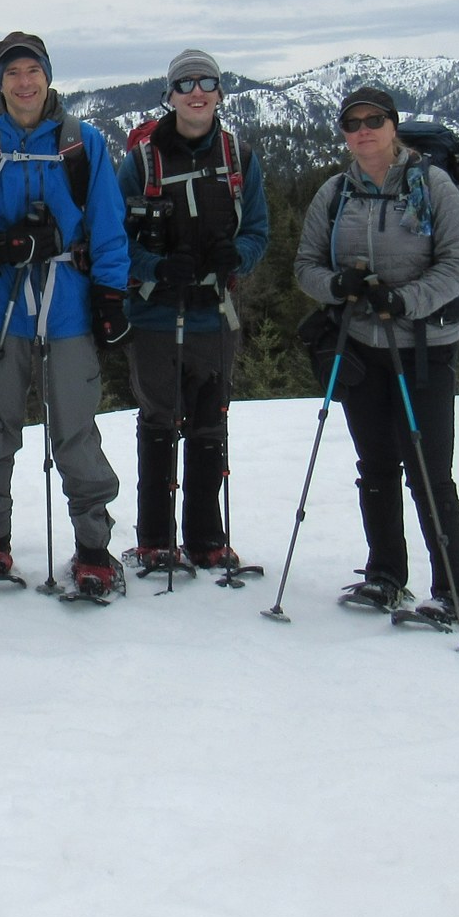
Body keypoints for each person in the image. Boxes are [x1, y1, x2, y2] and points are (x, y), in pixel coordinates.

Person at [0, 33, 133, 598]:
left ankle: (94, 550)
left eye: (33, 71)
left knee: (74, 429)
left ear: (48, 76)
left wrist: (111, 295)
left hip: (68, 304)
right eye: (12, 73)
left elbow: (107, 222)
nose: (24, 82)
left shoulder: (83, 143)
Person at [293, 85, 459, 624]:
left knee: (428, 472)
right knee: (375, 464)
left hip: (424, 348)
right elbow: (306, 265)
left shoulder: (433, 185)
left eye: (374, 120)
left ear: (393, 125)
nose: (363, 131)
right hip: (360, 347)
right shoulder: (335, 193)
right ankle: (385, 575)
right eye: (352, 124)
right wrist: (338, 286)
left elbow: (456, 263)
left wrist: (403, 301)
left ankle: (453, 591)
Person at [116, 49, 270, 574]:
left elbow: (258, 231)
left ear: (220, 93)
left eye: (206, 82)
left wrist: (239, 255)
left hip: (214, 313)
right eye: (185, 84)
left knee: (210, 426)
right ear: (171, 95)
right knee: (159, 422)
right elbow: (113, 238)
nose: (196, 91)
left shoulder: (239, 157)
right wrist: (157, 267)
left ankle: (206, 538)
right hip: (158, 314)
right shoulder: (140, 162)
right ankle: (155, 539)